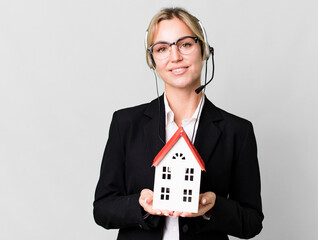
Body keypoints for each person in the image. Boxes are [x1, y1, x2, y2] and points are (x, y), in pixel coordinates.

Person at [93, 7, 263, 240]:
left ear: (203, 49)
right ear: (152, 60)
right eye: (162, 48)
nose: (175, 57)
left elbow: (252, 222)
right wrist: (140, 205)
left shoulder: (237, 131)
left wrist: (213, 207)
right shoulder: (125, 124)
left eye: (185, 44)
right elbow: (102, 209)